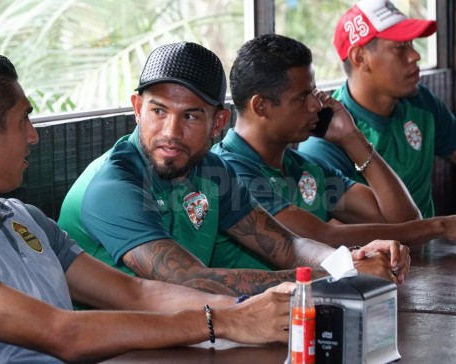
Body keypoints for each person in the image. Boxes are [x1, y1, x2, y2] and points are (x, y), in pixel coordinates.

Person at [0, 49, 298, 363]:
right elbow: (63, 332)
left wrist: (248, 311)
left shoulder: (24, 218)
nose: (33, 136)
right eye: (23, 120)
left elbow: (137, 294)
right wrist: (222, 322)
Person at [58, 41, 410, 298]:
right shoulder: (113, 184)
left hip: (188, 336)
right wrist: (337, 276)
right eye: (158, 111)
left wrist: (349, 260)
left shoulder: (212, 171)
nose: (170, 132)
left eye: (191, 116)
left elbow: (286, 245)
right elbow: (186, 280)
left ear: (218, 122)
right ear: (137, 108)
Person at [210, 34, 456, 269]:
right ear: (261, 106)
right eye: (301, 97)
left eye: (314, 92)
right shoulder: (230, 171)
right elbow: (319, 237)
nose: (316, 106)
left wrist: (352, 138)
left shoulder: (303, 167)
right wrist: (442, 226)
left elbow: (404, 221)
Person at [298, 0, 456, 219]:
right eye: (400, 47)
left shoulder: (420, 102)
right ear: (360, 58)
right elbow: (341, 238)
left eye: (411, 44)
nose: (415, 55)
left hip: (436, 247)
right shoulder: (326, 140)